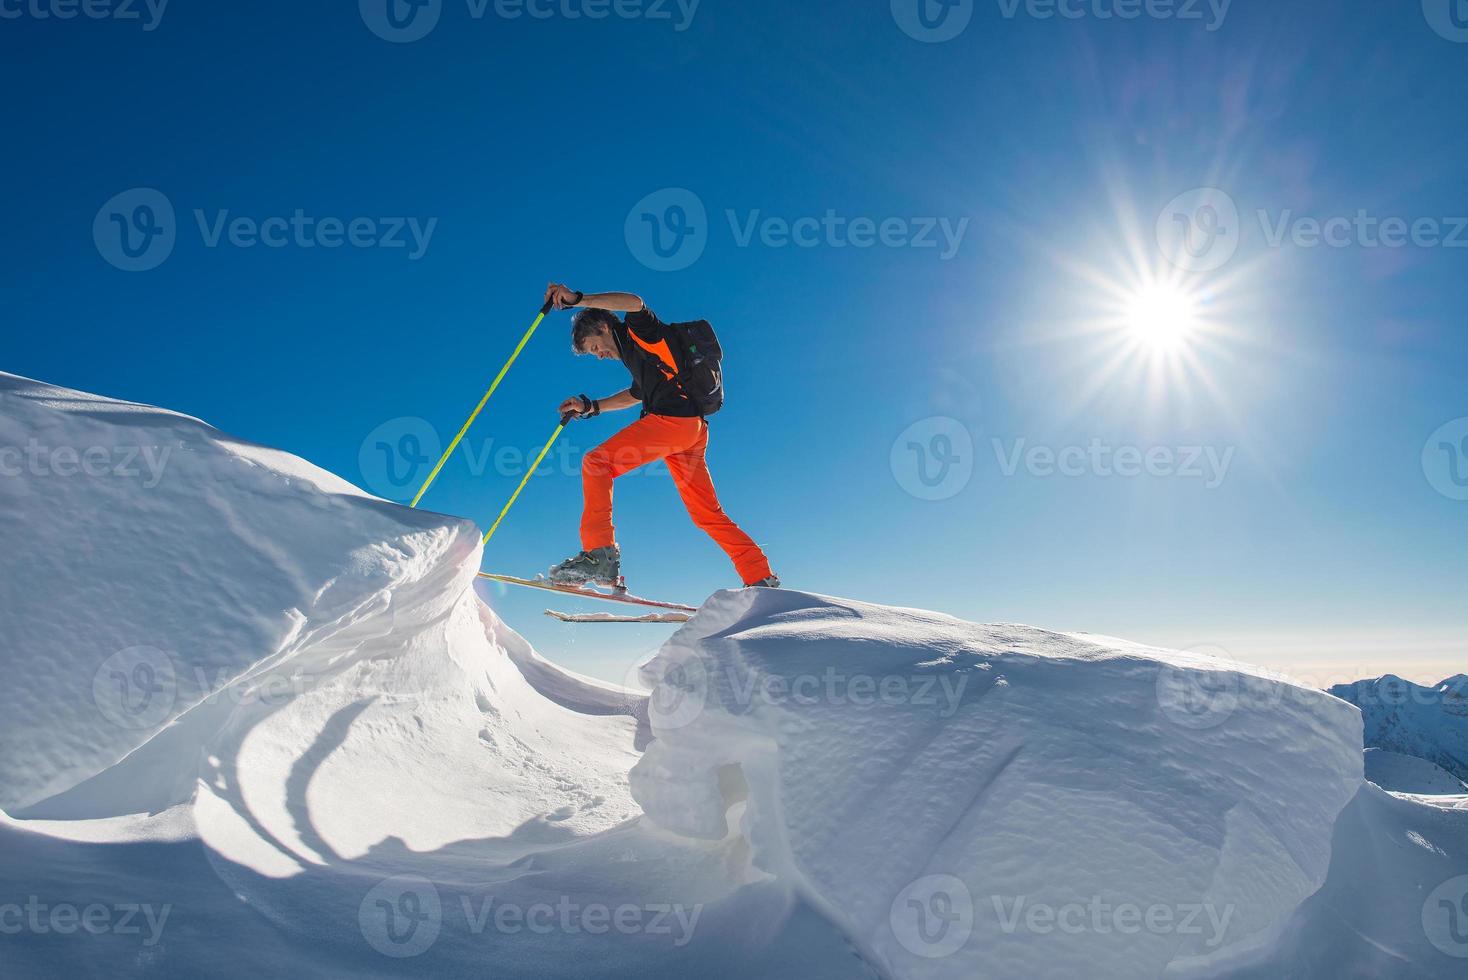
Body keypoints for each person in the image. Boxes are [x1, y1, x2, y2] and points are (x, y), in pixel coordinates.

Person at [542, 283, 779, 591]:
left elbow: (635, 302)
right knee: (707, 513)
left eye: (593, 347)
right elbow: (635, 394)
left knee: (596, 462)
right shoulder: (639, 358)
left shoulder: (640, 332)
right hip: (690, 431)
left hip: (674, 423)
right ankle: (759, 575)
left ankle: (599, 555)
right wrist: (591, 406)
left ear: (603, 326)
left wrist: (578, 300)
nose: (598, 356)